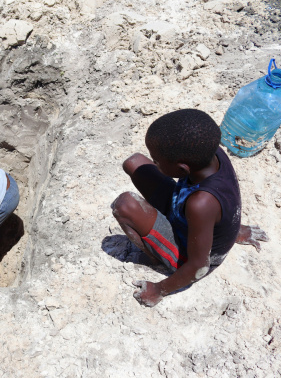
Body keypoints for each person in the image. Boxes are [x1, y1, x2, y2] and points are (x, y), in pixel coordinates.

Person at [112, 109, 268, 307]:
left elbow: (199, 266)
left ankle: (159, 258)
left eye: (157, 161)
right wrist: (233, 229)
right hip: (185, 212)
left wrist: (159, 290)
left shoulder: (201, 204)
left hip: (190, 255)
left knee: (124, 205)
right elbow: (226, 201)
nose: (154, 163)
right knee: (134, 163)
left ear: (182, 170)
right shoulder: (210, 153)